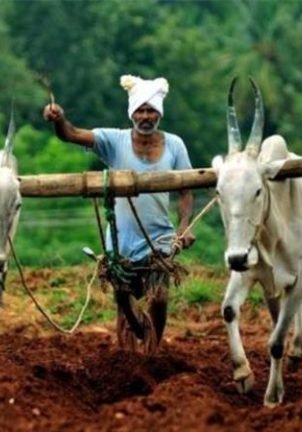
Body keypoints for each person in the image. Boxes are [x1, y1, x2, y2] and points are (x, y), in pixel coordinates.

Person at [42, 74, 195, 353]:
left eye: (151, 111)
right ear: (131, 113)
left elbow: (187, 190)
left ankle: (153, 350)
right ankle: (127, 352)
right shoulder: (114, 141)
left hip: (159, 239)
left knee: (159, 298)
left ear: (159, 113)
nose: (146, 116)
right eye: (140, 110)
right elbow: (72, 134)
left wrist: (185, 226)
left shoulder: (175, 145)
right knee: (123, 300)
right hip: (120, 242)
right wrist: (59, 120)